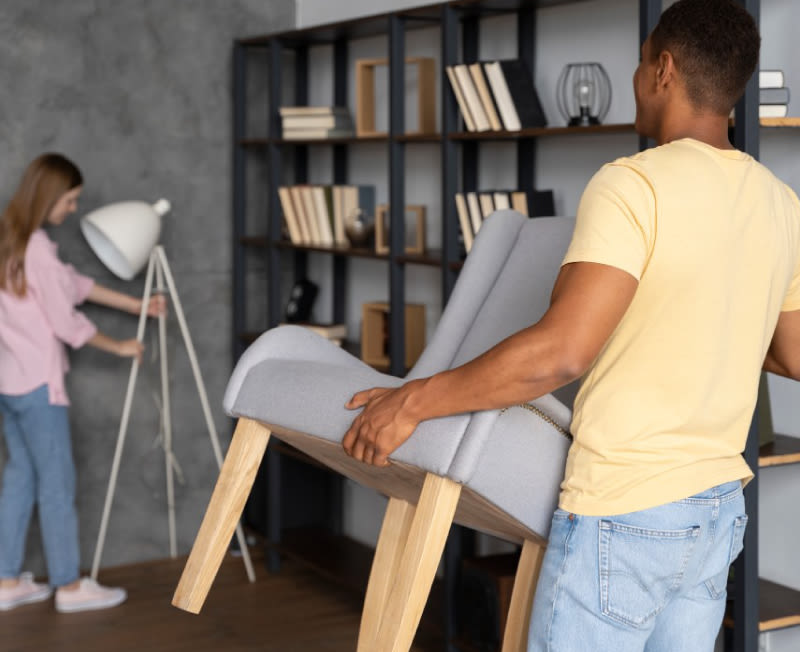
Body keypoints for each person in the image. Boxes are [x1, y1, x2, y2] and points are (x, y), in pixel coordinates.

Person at [340, 0, 800, 650]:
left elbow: (559, 354)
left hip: (627, 512)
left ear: (663, 70)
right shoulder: (780, 202)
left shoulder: (633, 184)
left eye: (641, 64)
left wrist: (411, 401)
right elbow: (793, 355)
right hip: (715, 511)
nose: (638, 78)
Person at [0, 153, 166, 613]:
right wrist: (120, 346)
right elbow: (64, 319)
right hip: (39, 388)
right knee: (57, 483)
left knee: (21, 477)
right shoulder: (38, 249)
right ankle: (70, 587)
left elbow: (73, 284)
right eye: (70, 201)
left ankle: (6, 579)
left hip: (9, 384)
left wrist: (135, 307)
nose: (72, 210)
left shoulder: (10, 241)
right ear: (50, 196)